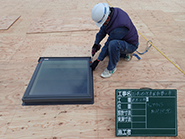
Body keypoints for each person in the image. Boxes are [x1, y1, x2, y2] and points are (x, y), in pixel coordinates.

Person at [90, 3, 139, 78]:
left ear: (108, 18)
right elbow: (102, 31)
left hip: (131, 45)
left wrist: (98, 60)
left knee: (113, 45)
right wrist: (96, 44)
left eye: (103, 22)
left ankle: (111, 68)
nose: (103, 24)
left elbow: (108, 44)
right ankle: (125, 55)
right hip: (122, 39)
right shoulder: (111, 14)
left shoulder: (119, 27)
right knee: (109, 51)